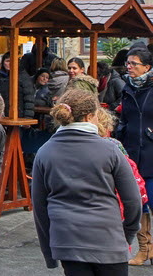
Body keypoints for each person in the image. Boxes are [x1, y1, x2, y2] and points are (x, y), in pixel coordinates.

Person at [33, 89, 141, 275]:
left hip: (68, 243)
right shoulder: (111, 150)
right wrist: (127, 235)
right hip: (109, 240)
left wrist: (49, 254)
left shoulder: (44, 152)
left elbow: (40, 208)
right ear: (91, 116)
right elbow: (133, 200)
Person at [116, 47, 153, 266]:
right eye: (128, 63)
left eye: (134, 64)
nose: (129, 67)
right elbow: (124, 116)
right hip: (132, 153)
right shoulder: (127, 87)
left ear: (147, 67)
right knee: (138, 203)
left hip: (151, 153)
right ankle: (145, 250)